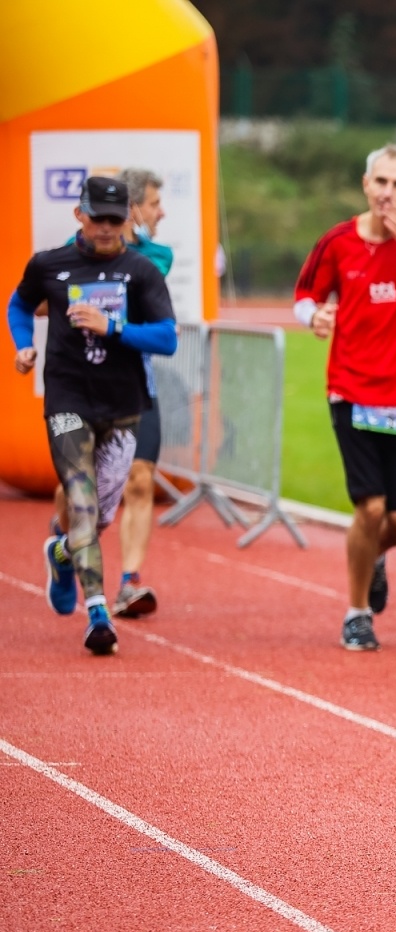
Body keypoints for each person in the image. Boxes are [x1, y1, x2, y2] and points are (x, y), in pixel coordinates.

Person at [7, 176, 177, 654]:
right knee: (80, 501)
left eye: (115, 220)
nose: (106, 228)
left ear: (127, 220)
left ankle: (61, 554)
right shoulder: (49, 264)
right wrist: (22, 346)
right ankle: (99, 613)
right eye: (97, 218)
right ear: (79, 216)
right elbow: (18, 304)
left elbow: (167, 338)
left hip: (122, 406)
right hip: (67, 398)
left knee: (99, 514)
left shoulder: (141, 271)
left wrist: (113, 327)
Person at [293, 144, 396, 651]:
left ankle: (375, 556)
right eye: (380, 182)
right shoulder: (338, 241)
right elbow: (303, 296)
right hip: (351, 388)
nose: (388, 193)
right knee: (370, 508)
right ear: (366, 184)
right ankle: (357, 612)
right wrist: (313, 317)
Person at [111, 167, 174, 618]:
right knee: (83, 494)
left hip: (139, 387)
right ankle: (62, 532)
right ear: (133, 209)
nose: (162, 212)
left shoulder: (157, 256)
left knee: (140, 478)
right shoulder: (77, 257)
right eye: (154, 204)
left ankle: (129, 581)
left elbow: (143, 277)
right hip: (88, 388)